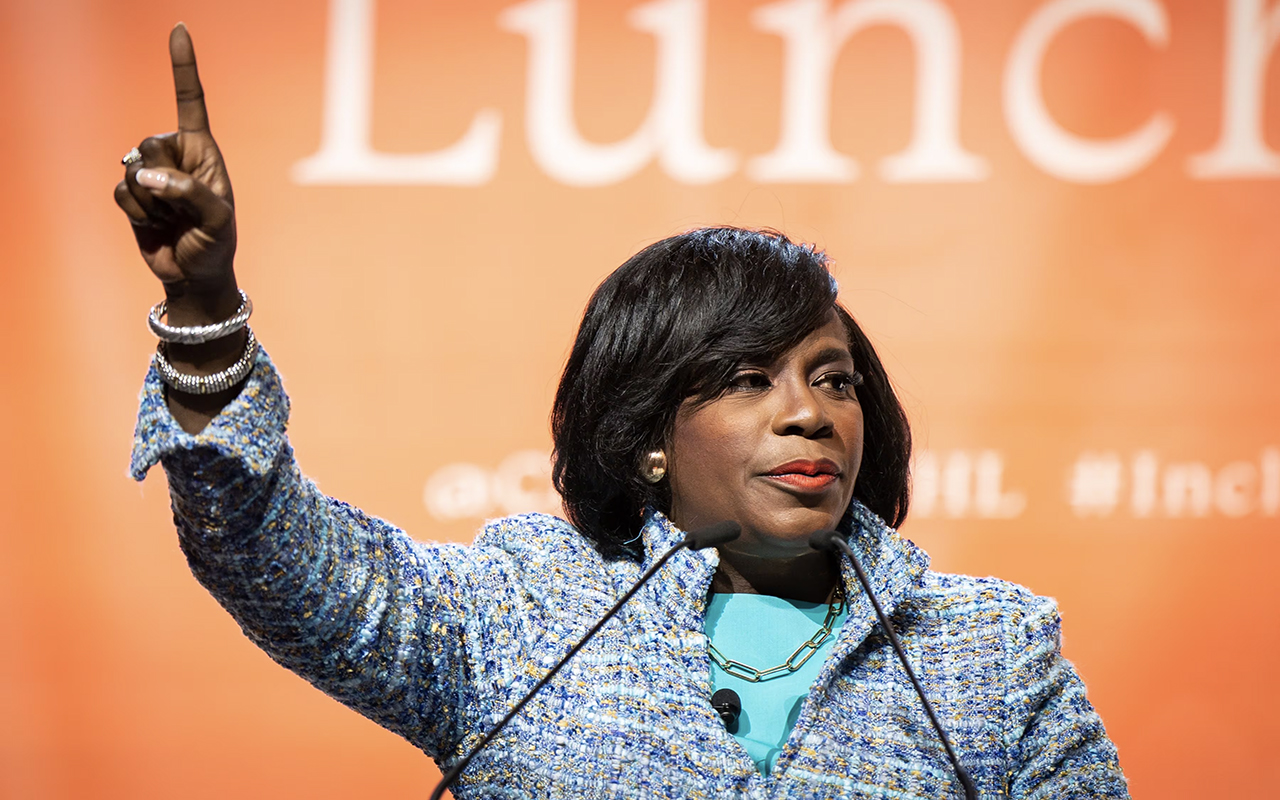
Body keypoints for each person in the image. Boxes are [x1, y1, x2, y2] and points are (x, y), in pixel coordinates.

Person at [118, 24, 1129, 799]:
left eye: (832, 378)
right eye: (745, 379)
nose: (809, 414)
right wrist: (206, 312)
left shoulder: (987, 653)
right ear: (645, 434)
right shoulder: (516, 614)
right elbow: (269, 551)